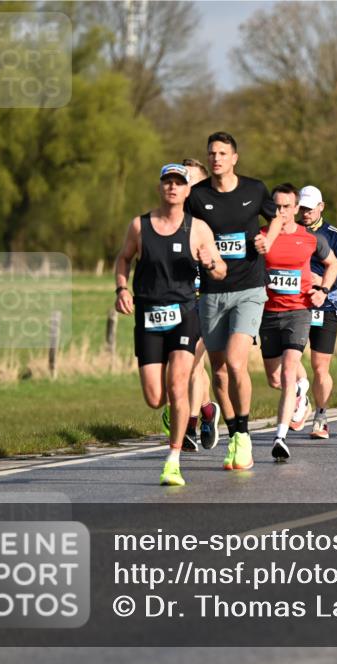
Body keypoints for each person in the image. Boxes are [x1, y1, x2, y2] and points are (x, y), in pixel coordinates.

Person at [114, 164, 225, 485]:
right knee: (154, 397)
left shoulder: (199, 229)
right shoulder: (140, 225)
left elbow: (220, 271)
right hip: (149, 314)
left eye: (179, 183)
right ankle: (182, 426)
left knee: (178, 384)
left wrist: (212, 263)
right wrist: (122, 288)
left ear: (188, 190)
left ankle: (173, 460)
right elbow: (123, 258)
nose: (173, 188)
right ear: (160, 187)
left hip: (185, 314)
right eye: (167, 182)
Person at [184, 132, 282, 472]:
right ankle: (235, 433)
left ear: (234, 158)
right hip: (211, 293)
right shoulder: (197, 196)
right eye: (211, 153)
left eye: (222, 153)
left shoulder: (254, 190)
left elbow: (279, 219)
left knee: (237, 362)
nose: (216, 158)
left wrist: (267, 239)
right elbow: (185, 233)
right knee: (220, 372)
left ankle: (244, 435)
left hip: (249, 290)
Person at [256, 184, 337, 461]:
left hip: (299, 312)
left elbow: (334, 265)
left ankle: (280, 437)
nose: (281, 212)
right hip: (268, 313)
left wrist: (323, 290)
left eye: (287, 207)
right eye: (276, 207)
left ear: (295, 208)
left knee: (289, 371)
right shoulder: (262, 237)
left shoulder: (310, 238)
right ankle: (302, 391)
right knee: (275, 379)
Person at [292, 185, 337, 439]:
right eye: (303, 208)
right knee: (289, 360)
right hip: (294, 305)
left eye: (310, 208)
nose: (306, 212)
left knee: (320, 366)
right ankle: (300, 398)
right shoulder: (291, 231)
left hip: (325, 306)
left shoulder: (333, 235)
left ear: (321, 207)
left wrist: (324, 283)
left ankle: (321, 414)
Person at [179, 158, 221, 452]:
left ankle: (189, 427)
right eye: (182, 180)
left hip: (206, 301)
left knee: (191, 362)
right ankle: (208, 411)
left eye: (192, 181)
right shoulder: (168, 220)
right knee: (192, 366)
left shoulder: (213, 221)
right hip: (176, 302)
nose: (186, 186)